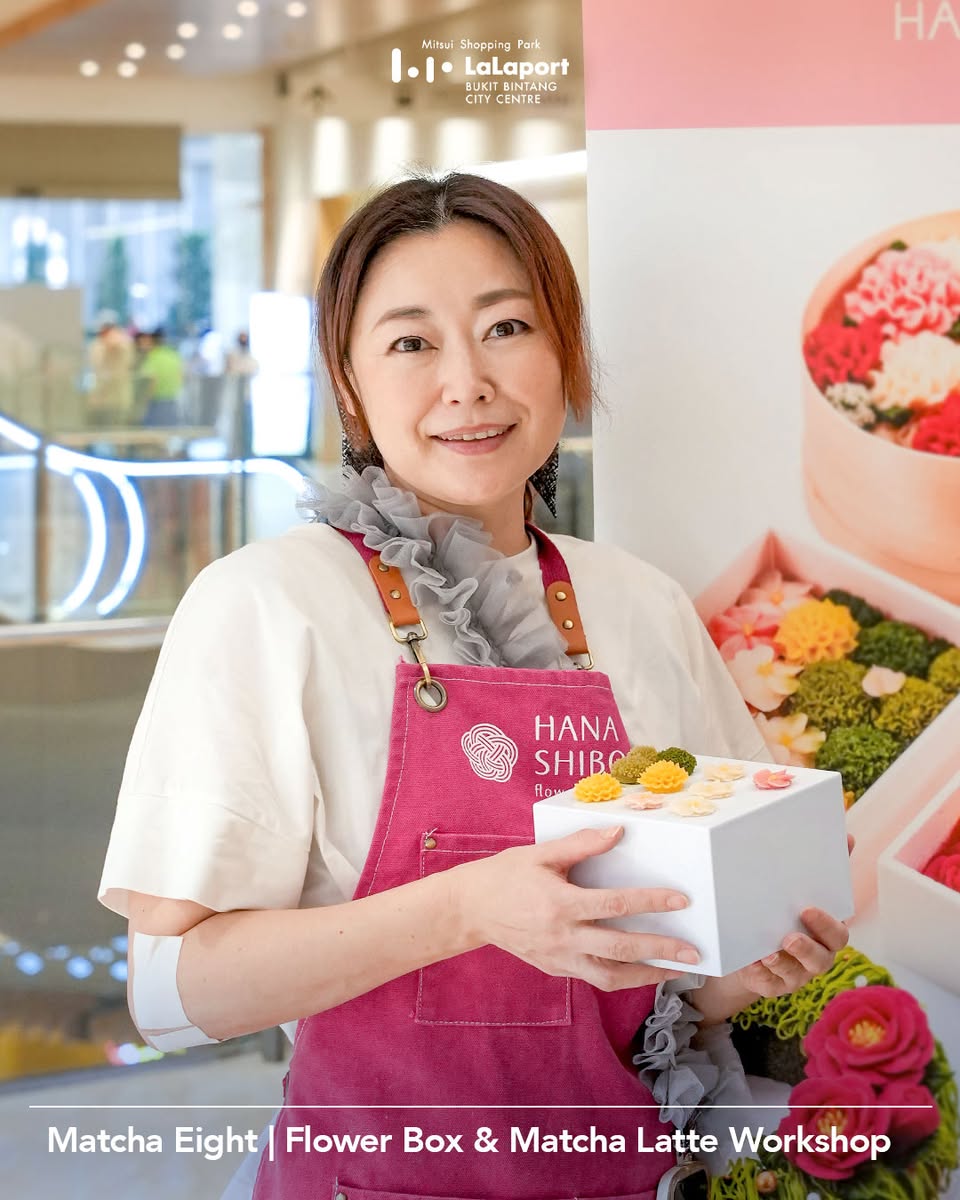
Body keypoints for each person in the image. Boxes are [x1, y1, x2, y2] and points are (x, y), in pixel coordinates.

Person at [98, 174, 848, 1200]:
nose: (468, 382)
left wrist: (740, 975)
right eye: (412, 342)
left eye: (506, 327)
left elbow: (667, 988)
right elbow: (172, 993)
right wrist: (466, 909)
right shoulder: (269, 606)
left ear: (565, 356)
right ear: (349, 382)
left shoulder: (641, 604)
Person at [87, 311, 134, 427]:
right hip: (99, 400)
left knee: (118, 432)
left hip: (118, 400)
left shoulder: (123, 342)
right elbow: (95, 367)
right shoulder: (96, 345)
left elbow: (126, 357)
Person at [138, 327, 183, 426]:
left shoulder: (152, 357)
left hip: (156, 403)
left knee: (154, 435)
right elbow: (181, 376)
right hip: (172, 402)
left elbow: (150, 381)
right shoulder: (174, 355)